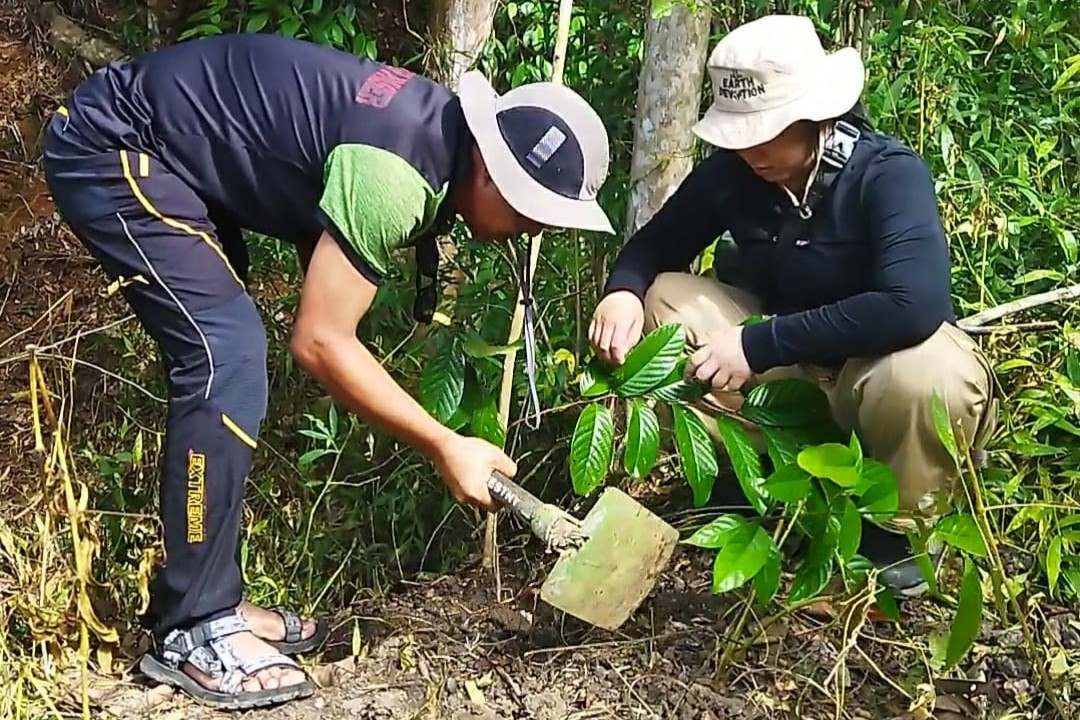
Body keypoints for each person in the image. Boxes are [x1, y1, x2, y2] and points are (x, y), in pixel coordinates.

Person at [44, 32, 613, 708]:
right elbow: (319, 341)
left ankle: (211, 602)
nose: (534, 231)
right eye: (530, 212)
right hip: (115, 146)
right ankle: (193, 630)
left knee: (226, 354)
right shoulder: (396, 175)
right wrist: (445, 444)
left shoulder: (434, 138)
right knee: (223, 356)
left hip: (170, 152)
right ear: (490, 172)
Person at [589, 15, 996, 597]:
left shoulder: (886, 175)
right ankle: (758, 481)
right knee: (666, 299)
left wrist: (760, 343)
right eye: (740, 135)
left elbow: (914, 304)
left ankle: (897, 534)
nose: (750, 149)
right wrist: (622, 290)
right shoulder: (734, 175)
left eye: (765, 132)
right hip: (789, 379)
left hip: (872, 373)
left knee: (929, 374)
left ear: (817, 117)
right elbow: (656, 245)